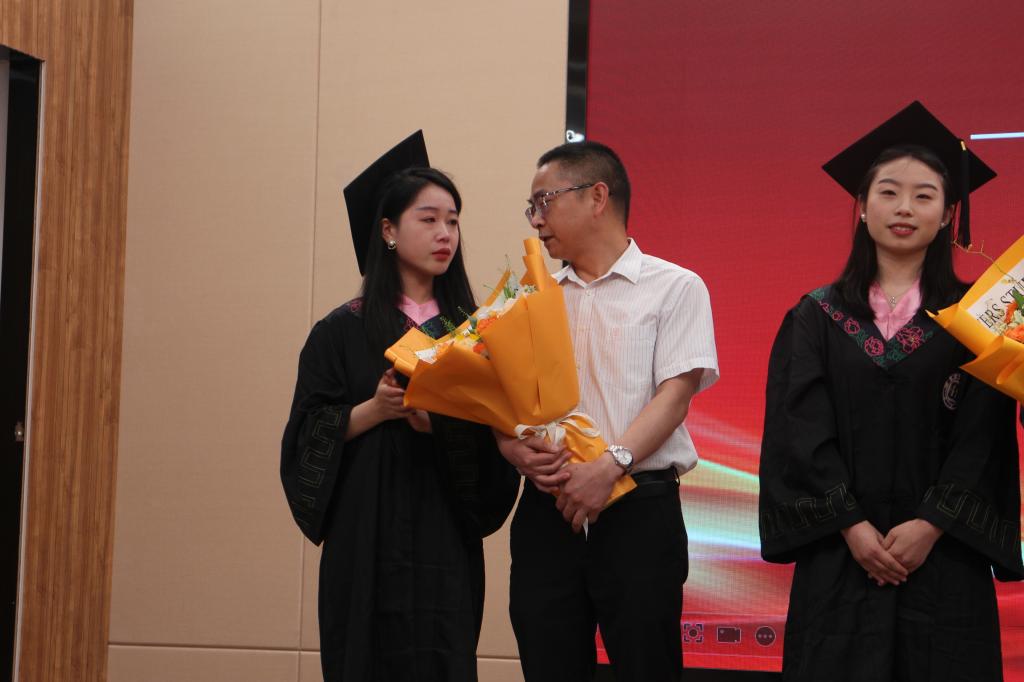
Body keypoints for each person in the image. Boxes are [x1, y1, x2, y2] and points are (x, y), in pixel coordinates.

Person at [759, 102, 1024, 681]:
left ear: (949, 214)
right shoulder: (815, 317)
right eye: (888, 192)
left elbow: (984, 437)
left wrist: (932, 523)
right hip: (841, 559)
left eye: (924, 196)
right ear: (861, 206)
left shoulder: (981, 319)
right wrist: (852, 526)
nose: (905, 208)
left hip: (945, 560)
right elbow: (799, 431)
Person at [280, 132, 520, 682]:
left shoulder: (474, 332)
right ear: (388, 231)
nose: (445, 234)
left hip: (443, 534)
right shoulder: (340, 330)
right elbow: (303, 438)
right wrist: (375, 409)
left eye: (453, 221)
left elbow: (496, 442)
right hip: (364, 532)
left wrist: (436, 424)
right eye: (428, 219)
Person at [496, 140, 719, 681]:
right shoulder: (531, 296)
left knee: (647, 665)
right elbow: (502, 399)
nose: (536, 219)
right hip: (548, 510)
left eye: (544, 201)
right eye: (531, 208)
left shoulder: (675, 287)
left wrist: (609, 465)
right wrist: (509, 447)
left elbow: (675, 394)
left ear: (597, 197)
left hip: (639, 510)